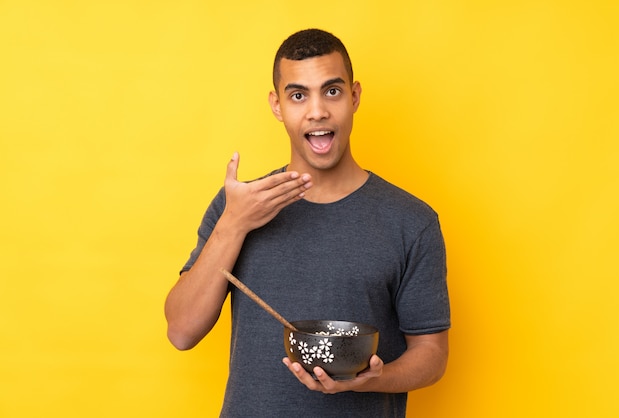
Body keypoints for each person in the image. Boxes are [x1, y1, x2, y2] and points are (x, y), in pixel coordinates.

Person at [165, 28, 450, 417]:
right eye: (298, 95)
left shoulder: (411, 222)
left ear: (354, 96)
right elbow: (181, 331)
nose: (317, 111)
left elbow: (431, 353)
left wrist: (372, 379)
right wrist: (234, 224)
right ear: (277, 105)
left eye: (332, 91)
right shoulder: (238, 207)